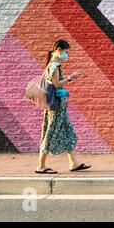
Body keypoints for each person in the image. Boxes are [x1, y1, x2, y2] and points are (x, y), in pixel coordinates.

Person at [35, 39, 91, 174]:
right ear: (59, 50)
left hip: (60, 107)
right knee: (50, 133)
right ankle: (40, 165)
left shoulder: (53, 64)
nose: (66, 55)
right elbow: (56, 84)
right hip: (56, 108)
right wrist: (71, 77)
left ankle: (73, 163)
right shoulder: (54, 65)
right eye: (65, 52)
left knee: (67, 132)